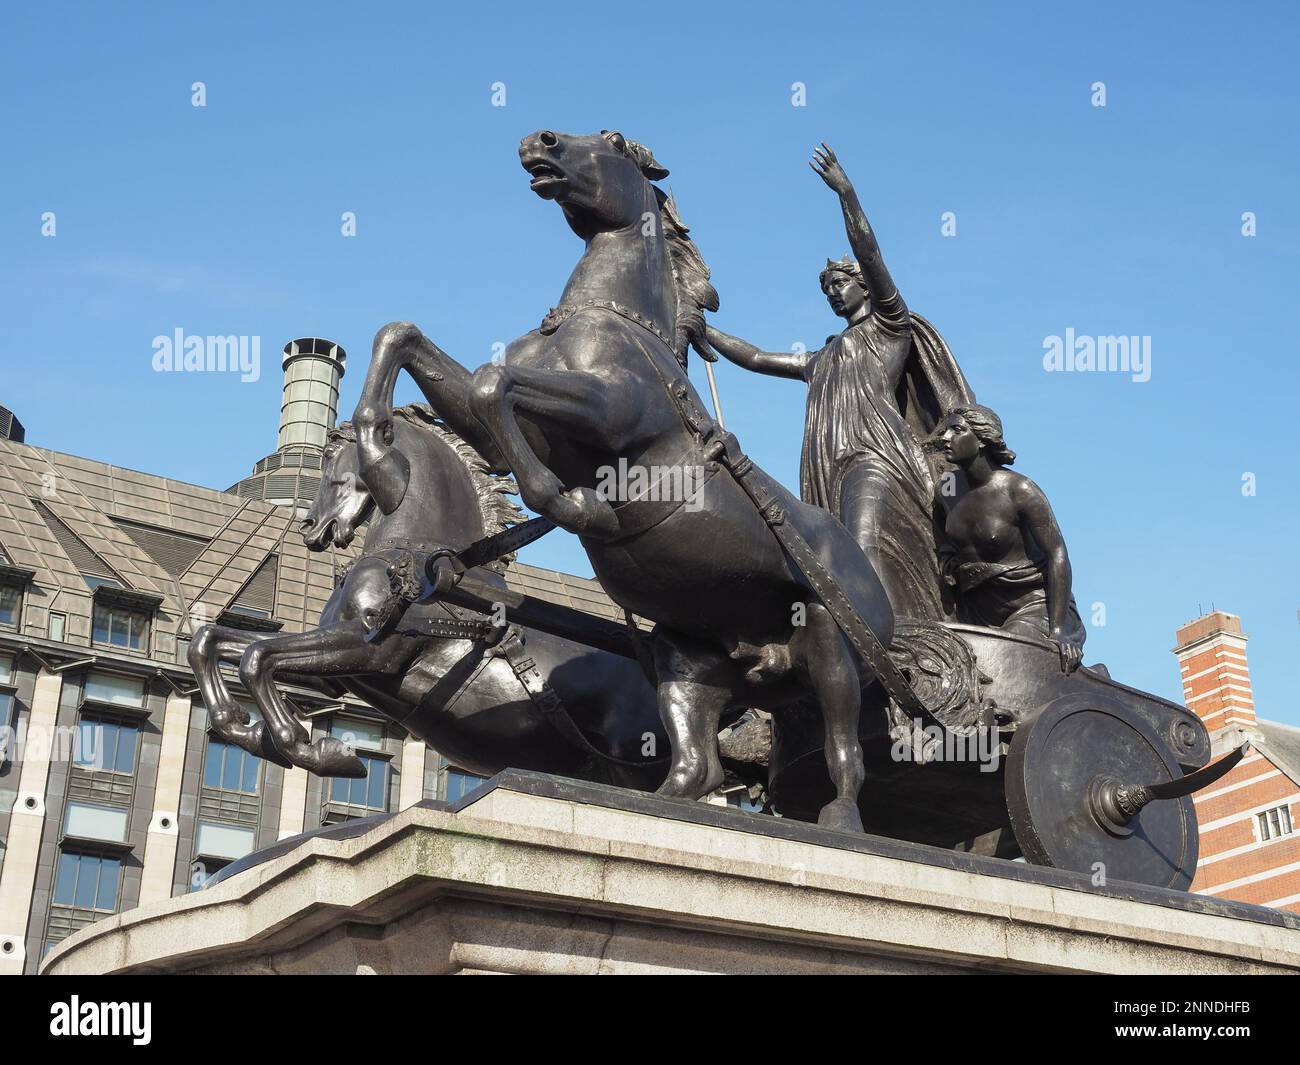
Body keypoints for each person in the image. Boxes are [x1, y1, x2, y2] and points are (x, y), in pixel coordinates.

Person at [705, 145, 973, 620]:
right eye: (825, 289)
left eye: (839, 283)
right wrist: (701, 327)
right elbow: (756, 357)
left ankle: (893, 645)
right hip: (826, 462)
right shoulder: (823, 356)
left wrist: (846, 194)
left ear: (863, 286)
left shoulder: (892, 325)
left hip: (877, 454)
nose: (832, 293)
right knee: (828, 560)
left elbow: (871, 254)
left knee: (863, 547)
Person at [930, 405, 1085, 672]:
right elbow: (945, 541)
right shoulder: (947, 489)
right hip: (978, 613)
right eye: (945, 431)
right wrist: (950, 565)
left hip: (1033, 607)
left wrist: (1059, 630)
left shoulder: (1020, 490)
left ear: (981, 439)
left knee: (1004, 661)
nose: (945, 438)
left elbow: (1057, 554)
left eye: (957, 430)